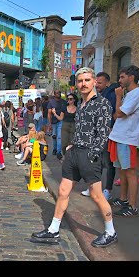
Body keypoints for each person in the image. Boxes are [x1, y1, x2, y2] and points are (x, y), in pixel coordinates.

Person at [31, 67, 117, 248]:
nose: (83, 84)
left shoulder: (102, 103)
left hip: (89, 154)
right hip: (75, 152)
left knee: (96, 195)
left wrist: (93, 154)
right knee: (63, 191)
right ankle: (53, 229)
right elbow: (81, 129)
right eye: (80, 81)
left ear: (94, 81)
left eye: (87, 80)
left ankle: (110, 232)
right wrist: (71, 146)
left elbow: (103, 133)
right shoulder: (81, 103)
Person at [107, 65, 139, 217]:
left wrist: (117, 97)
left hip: (127, 138)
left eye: (122, 77)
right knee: (122, 170)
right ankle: (123, 199)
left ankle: (132, 205)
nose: (119, 80)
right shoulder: (129, 94)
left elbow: (119, 113)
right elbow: (117, 115)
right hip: (120, 136)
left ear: (131, 77)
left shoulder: (136, 94)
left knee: (130, 171)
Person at [82, 71, 118, 199]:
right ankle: (93, 187)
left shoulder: (111, 95)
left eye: (100, 82)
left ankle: (107, 190)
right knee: (94, 161)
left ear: (107, 82)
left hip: (107, 134)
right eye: (96, 82)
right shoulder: (98, 95)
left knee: (108, 163)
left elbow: (114, 114)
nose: (97, 85)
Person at [47, 90, 67, 160]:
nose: (59, 94)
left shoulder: (64, 102)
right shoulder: (51, 102)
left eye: (59, 93)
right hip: (53, 121)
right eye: (57, 93)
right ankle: (55, 148)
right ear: (54, 94)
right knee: (54, 136)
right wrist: (49, 124)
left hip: (61, 121)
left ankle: (58, 152)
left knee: (59, 137)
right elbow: (49, 114)